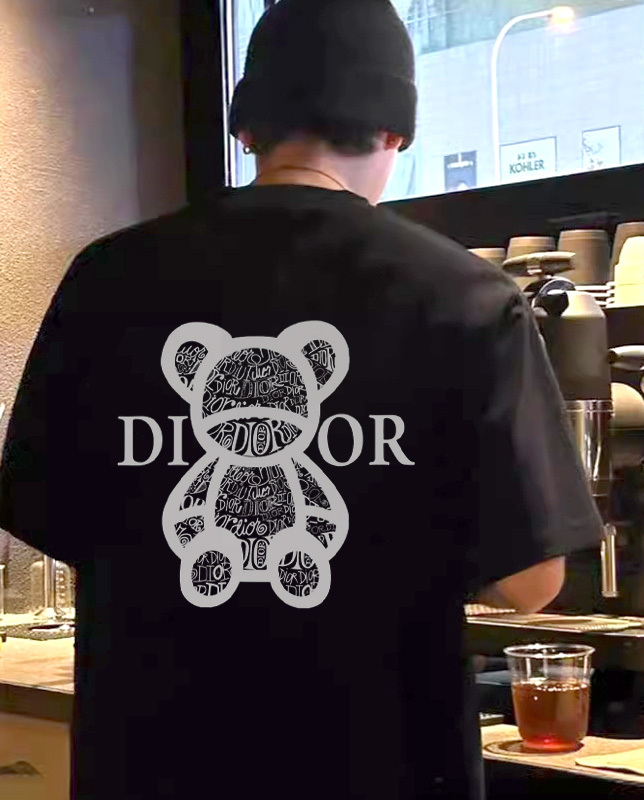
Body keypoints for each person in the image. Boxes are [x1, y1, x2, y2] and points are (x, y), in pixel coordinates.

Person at [0, 1, 602, 797]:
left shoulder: (107, 279)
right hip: (379, 764)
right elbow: (532, 583)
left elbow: (46, 509)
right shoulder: (466, 299)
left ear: (247, 128)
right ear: (394, 132)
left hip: (154, 763)